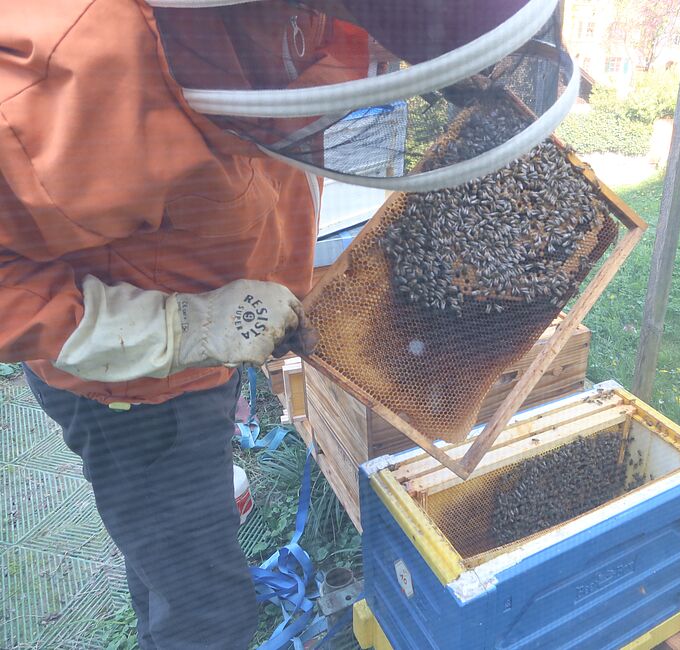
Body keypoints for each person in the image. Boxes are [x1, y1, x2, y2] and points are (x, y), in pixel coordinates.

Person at [0, 0, 574, 647]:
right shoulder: (47, 81)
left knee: (169, 559)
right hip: (132, 393)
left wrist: (456, 55)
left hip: (207, 346)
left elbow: (330, 72)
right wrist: (179, 326)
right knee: (207, 616)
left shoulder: (304, 19)